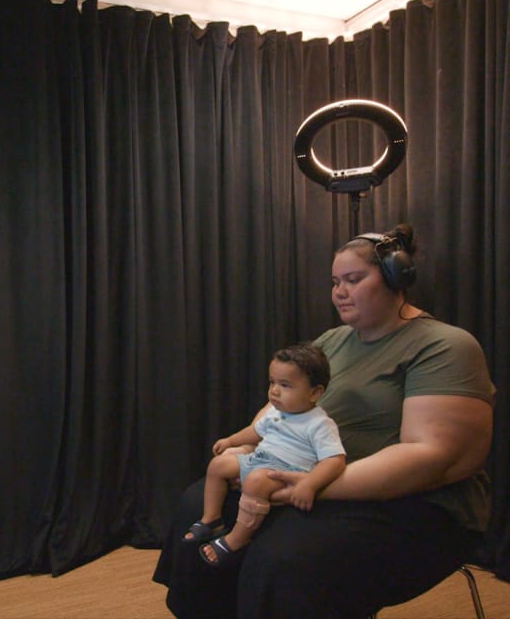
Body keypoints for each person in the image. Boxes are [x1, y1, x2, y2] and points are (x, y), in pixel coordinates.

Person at [153, 224, 496, 619]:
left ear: (394, 277)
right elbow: (281, 404)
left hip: (414, 507)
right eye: (335, 282)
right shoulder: (331, 341)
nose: (339, 291)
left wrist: (307, 486)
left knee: (283, 559)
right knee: (198, 504)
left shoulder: (444, 346)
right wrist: (255, 450)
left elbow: (431, 457)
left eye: (353, 279)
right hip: (313, 481)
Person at [185, 343, 346, 568]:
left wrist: (310, 483)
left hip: (285, 471)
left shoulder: (320, 424)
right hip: (260, 459)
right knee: (218, 465)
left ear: (315, 392)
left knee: (256, 480)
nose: (274, 391)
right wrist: (231, 441)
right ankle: (212, 519)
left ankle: (237, 539)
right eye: (272, 382)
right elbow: (254, 432)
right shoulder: (275, 412)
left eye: (285, 385)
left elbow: (335, 460)